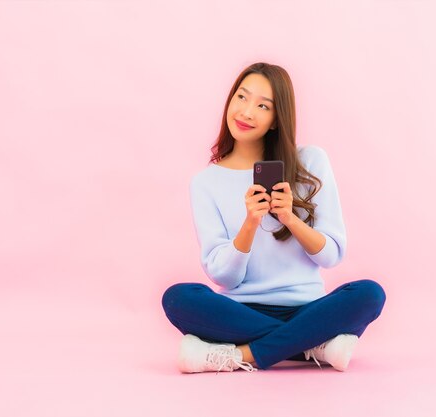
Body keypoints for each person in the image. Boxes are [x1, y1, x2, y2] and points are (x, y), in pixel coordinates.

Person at [161, 62, 386, 373]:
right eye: (242, 97)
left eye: (262, 105)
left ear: (276, 119)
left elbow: (332, 255)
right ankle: (312, 345)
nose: (247, 112)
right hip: (240, 312)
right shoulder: (205, 183)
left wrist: (290, 218)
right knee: (178, 298)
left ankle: (238, 356)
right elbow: (223, 277)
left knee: (369, 293)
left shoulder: (311, 161)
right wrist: (250, 224)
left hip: (309, 309)